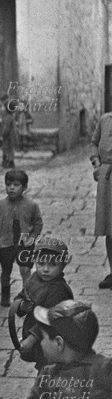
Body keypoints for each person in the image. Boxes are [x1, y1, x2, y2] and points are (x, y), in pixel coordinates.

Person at [12, 236, 73, 368]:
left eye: (53, 264)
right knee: (44, 365)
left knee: (49, 366)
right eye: (41, 263)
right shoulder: (35, 278)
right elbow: (21, 296)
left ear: (63, 265)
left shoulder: (58, 290)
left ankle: (47, 386)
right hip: (40, 339)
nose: (45, 269)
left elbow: (49, 319)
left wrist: (31, 340)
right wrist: (22, 306)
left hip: (53, 338)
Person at [0, 169, 43, 307]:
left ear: (25, 188)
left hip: (25, 244)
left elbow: (38, 223)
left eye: (16, 185)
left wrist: (33, 237)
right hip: (6, 243)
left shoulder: (32, 205)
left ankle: (27, 296)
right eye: (8, 184)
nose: (11, 188)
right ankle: (5, 296)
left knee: (25, 270)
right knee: (6, 270)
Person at [90, 113, 112, 288]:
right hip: (106, 177)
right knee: (109, 227)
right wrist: (97, 164)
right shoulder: (105, 119)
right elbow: (94, 143)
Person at [0, 97, 19, 168]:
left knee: (8, 149)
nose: (2, 108)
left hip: (8, 137)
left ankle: (10, 162)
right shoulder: (11, 116)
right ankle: (10, 161)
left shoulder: (8, 117)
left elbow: (6, 128)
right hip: (12, 135)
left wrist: (2, 135)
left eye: (3, 107)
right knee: (10, 149)